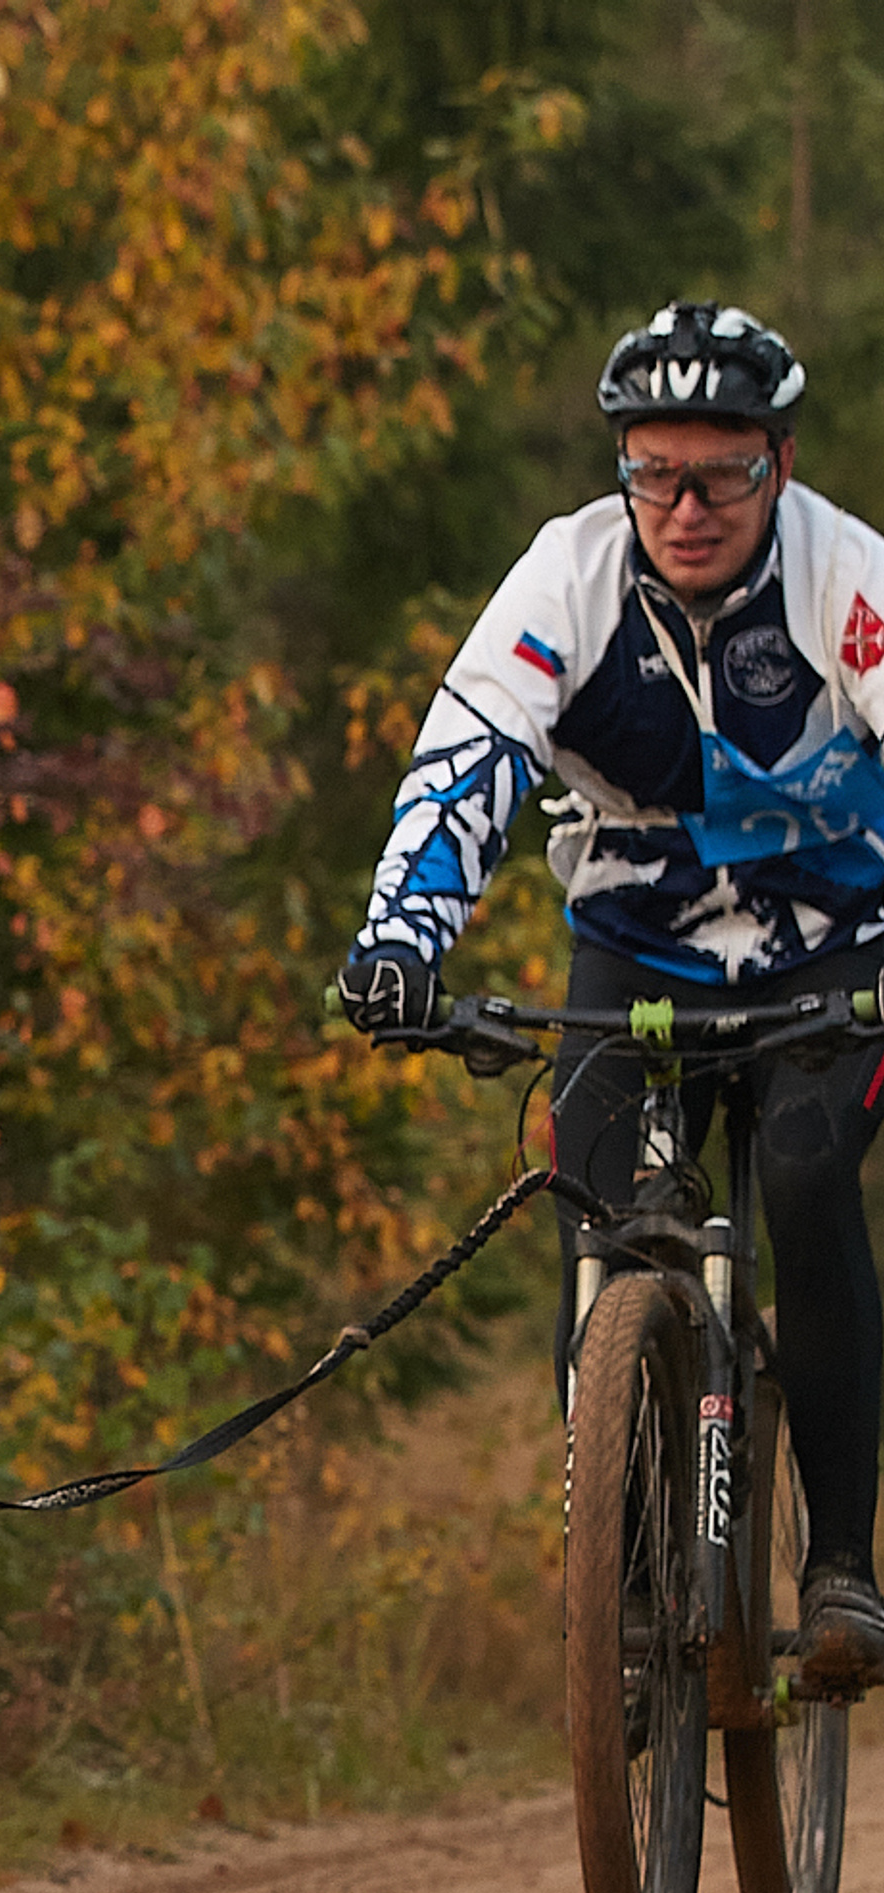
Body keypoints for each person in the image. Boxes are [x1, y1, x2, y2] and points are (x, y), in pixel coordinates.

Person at [337, 298, 884, 1688]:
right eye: (654, 473)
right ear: (622, 470)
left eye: (722, 475)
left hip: (833, 952)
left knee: (809, 1180)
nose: (685, 508)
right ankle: (626, 1592)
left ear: (781, 463)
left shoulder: (846, 579)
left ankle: (840, 1568)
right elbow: (469, 758)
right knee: (599, 1226)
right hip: (638, 957)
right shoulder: (567, 581)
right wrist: (402, 941)